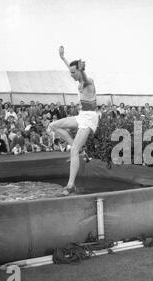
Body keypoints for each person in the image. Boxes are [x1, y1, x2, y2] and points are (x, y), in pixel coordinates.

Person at [48, 46, 100, 196]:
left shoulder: (88, 82)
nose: (71, 75)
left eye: (73, 72)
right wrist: (62, 58)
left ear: (79, 71)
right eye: (70, 72)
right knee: (53, 125)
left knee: (74, 151)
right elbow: (74, 71)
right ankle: (78, 148)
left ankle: (70, 186)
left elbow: (83, 76)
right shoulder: (79, 80)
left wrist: (82, 70)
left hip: (89, 118)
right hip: (82, 115)